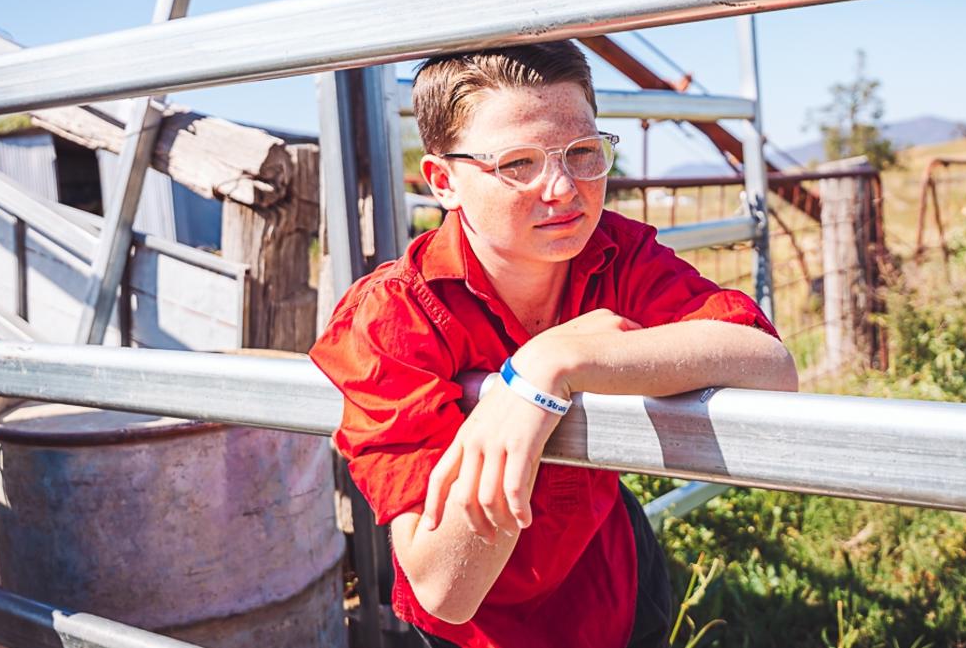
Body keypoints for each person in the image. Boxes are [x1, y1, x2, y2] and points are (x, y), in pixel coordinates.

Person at [308, 41, 799, 648]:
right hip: (483, 629)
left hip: (613, 580)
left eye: (584, 152)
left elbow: (770, 364)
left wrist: (554, 361)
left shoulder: (616, 253)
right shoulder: (393, 318)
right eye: (518, 163)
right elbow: (445, 590)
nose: (563, 187)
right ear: (443, 181)